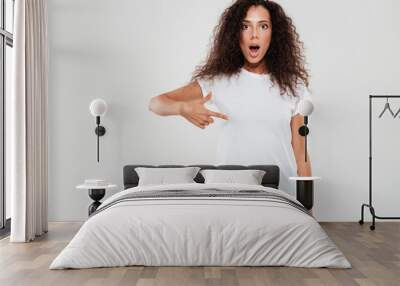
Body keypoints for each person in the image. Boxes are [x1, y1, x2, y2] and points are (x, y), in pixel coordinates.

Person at [148, 0, 312, 196]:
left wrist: (307, 205)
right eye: (245, 26)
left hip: (281, 192)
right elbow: (156, 103)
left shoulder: (294, 85)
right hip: (230, 190)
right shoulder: (217, 81)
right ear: (235, 33)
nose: (254, 34)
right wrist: (183, 109)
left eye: (263, 26)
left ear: (274, 34)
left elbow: (301, 153)